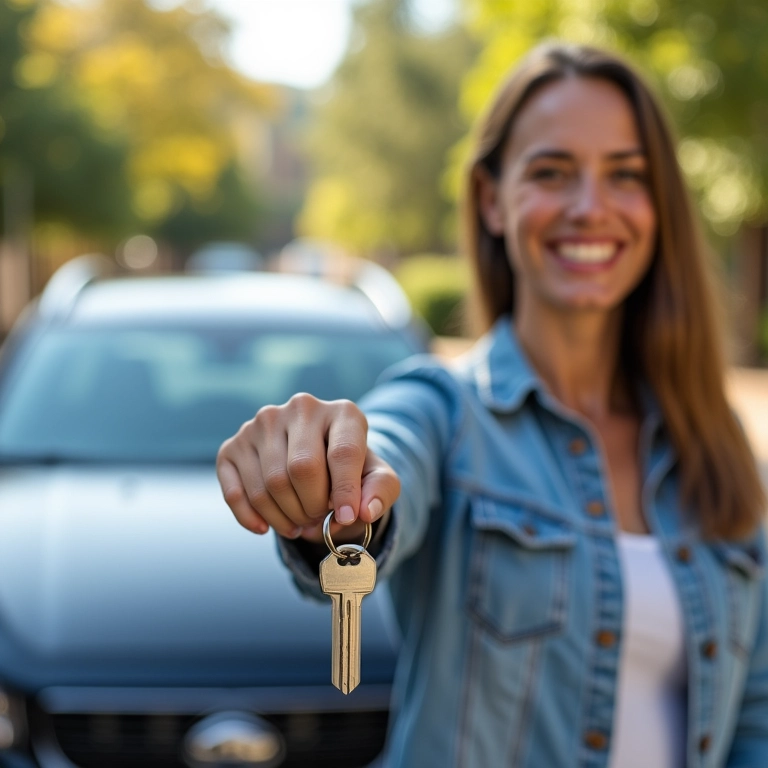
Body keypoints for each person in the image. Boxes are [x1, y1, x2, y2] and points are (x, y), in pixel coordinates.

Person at [217, 41, 768, 767]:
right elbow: (388, 456)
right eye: (551, 172)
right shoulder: (443, 411)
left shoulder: (713, 440)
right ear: (491, 200)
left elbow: (754, 712)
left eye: (626, 175)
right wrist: (333, 473)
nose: (590, 207)